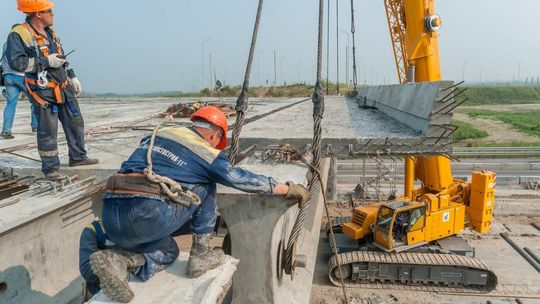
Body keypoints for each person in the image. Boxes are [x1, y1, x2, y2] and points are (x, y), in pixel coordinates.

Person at [89, 106, 310, 302]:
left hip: (111, 216)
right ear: (214, 135)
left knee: (169, 251)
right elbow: (240, 179)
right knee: (207, 183)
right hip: (148, 215)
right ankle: (200, 255)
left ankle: (118, 259)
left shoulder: (157, 135)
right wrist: (287, 188)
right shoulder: (205, 151)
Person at [5, 0, 97, 178]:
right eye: (49, 11)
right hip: (43, 91)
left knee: (75, 122)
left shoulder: (51, 32)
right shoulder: (19, 34)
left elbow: (61, 54)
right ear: (38, 13)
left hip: (63, 86)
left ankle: (78, 157)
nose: (52, 14)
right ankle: (51, 168)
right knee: (48, 130)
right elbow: (17, 64)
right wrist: (46, 62)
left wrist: (71, 74)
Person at [1, 27, 38, 140]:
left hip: (7, 76)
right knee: (35, 100)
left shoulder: (5, 44)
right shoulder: (21, 43)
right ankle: (36, 126)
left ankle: (6, 130)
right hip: (21, 76)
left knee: (11, 103)